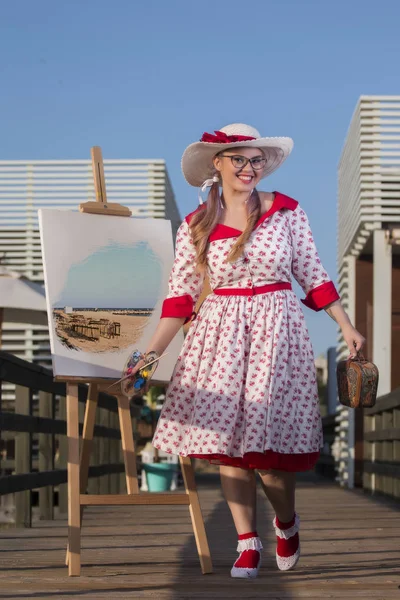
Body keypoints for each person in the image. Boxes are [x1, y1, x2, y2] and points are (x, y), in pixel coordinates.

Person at [131, 123, 365, 579]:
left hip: (277, 334)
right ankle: (246, 542)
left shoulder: (287, 212)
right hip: (219, 337)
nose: (248, 167)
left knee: (272, 459)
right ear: (216, 164)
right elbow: (180, 297)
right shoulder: (197, 226)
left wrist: (346, 325)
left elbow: (312, 273)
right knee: (227, 447)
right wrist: (152, 353)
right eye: (238, 158)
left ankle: (285, 521)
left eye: (256, 160)